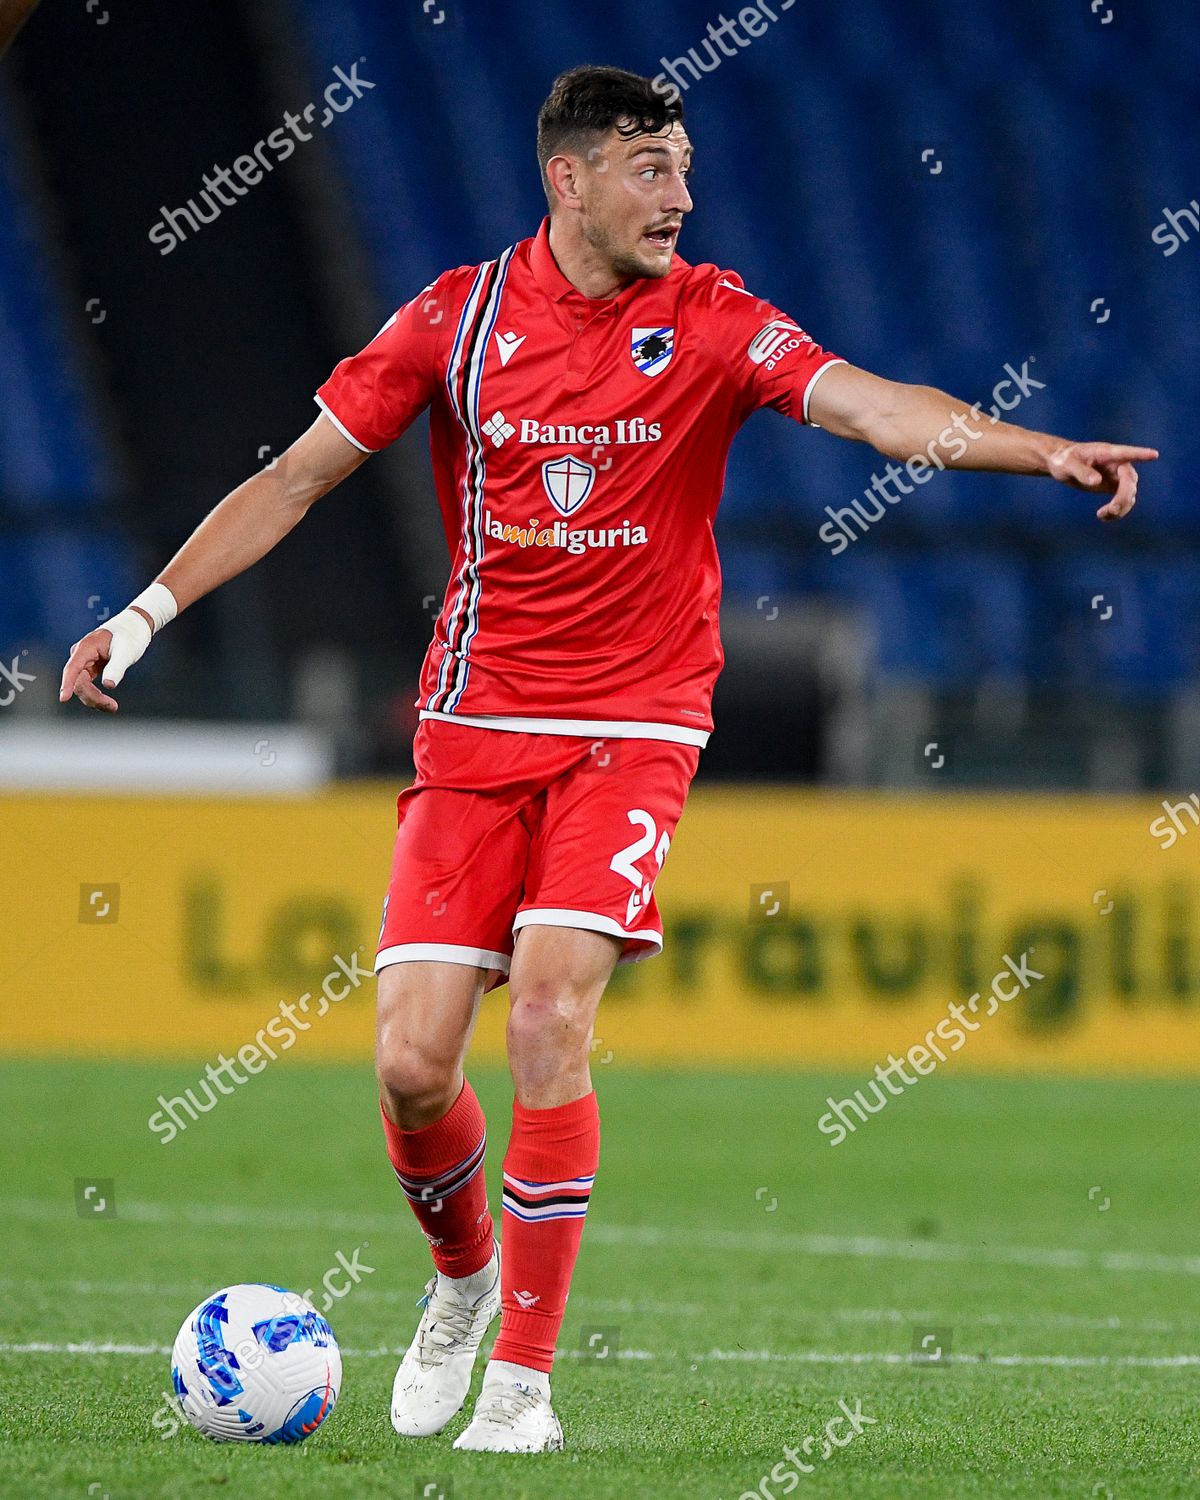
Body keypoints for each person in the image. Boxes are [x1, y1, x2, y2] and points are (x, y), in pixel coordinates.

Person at [59, 64, 1157, 1453]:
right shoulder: (456, 321)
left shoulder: (710, 318)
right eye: (651, 167)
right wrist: (143, 615)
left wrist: (1035, 448)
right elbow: (293, 479)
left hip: (636, 724)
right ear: (565, 178)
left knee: (553, 1011)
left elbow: (875, 409)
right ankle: (461, 1281)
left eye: (685, 167)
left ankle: (522, 1383)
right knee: (410, 1066)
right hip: (474, 724)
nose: (681, 195)